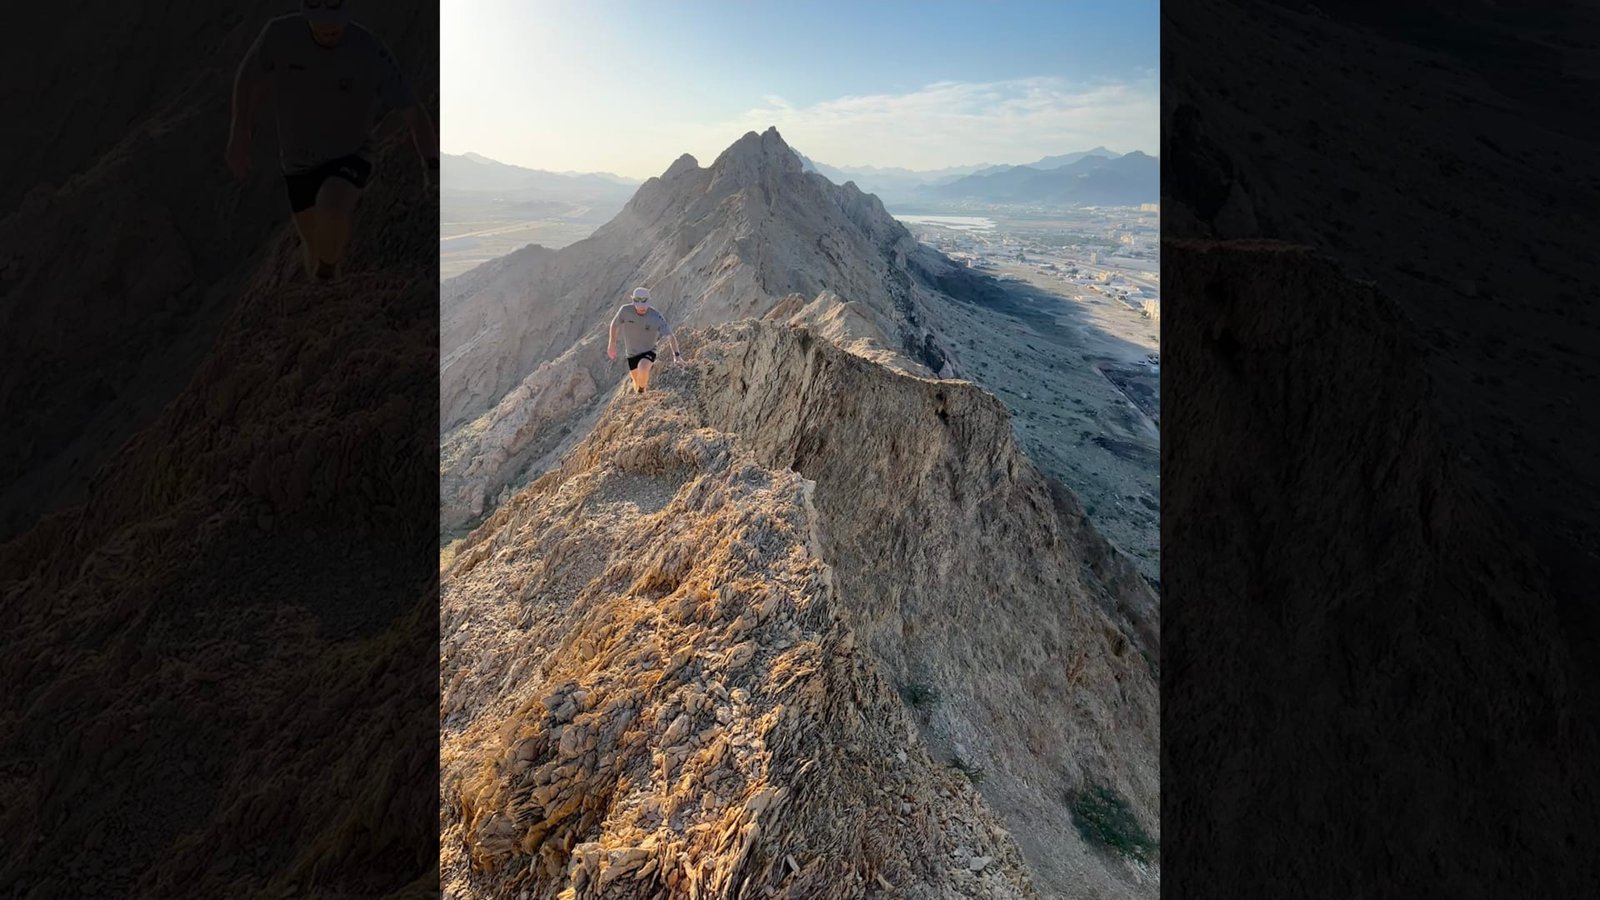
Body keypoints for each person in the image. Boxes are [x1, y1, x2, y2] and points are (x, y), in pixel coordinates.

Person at [225, 0, 438, 282]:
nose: (329, 29)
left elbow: (412, 110)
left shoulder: (369, 51)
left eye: (336, 21)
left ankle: (327, 277)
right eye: (321, 20)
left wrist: (431, 167)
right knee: (315, 243)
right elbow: (248, 74)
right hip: (297, 165)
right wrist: (239, 131)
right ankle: (322, 278)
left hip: (350, 154)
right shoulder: (279, 35)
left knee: (332, 207)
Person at [607, 287, 683, 393]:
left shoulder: (656, 317)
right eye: (639, 306)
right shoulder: (625, 311)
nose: (642, 308)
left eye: (644, 306)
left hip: (649, 351)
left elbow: (670, 336)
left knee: (642, 368)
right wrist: (612, 343)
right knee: (636, 380)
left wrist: (677, 356)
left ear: (648, 301)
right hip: (631, 354)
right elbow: (614, 325)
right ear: (633, 301)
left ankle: (641, 394)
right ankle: (641, 390)